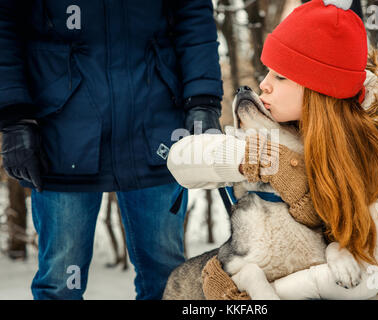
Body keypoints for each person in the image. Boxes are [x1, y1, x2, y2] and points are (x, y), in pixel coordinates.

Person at [167, 0, 378, 299]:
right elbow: (180, 160)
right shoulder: (289, 125)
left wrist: (254, 297)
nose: (263, 85)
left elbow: (363, 278)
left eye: (280, 76)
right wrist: (244, 158)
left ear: (317, 89)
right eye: (267, 72)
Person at [0, 0, 222, 299]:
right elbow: (5, 26)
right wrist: (14, 118)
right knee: (62, 283)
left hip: (154, 122)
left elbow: (193, 14)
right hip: (61, 128)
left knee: (166, 279)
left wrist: (202, 100)